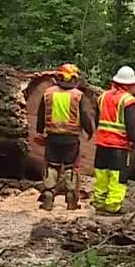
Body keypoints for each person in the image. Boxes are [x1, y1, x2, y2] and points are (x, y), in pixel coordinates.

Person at [34, 63, 95, 211]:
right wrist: (90, 131)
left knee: (52, 166)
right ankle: (71, 198)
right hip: (71, 139)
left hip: (52, 137)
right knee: (70, 168)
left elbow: (41, 114)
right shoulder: (77, 96)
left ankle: (48, 195)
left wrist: (39, 130)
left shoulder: (48, 93)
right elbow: (84, 116)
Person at [92, 66, 135, 214]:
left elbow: (97, 120)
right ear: (128, 85)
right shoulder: (128, 100)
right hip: (119, 147)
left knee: (101, 175)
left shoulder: (102, 97)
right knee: (118, 177)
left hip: (101, 144)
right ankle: (113, 206)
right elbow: (131, 125)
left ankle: (99, 204)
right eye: (134, 84)